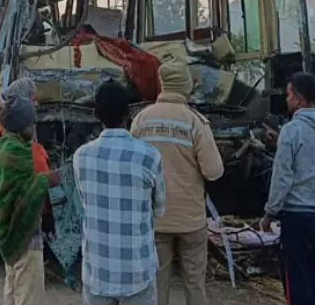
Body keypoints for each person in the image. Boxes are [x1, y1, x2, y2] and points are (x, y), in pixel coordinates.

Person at [130, 57, 224, 305]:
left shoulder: (141, 120)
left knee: (158, 285)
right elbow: (214, 171)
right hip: (190, 220)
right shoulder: (195, 122)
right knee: (194, 284)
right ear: (187, 86)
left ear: (162, 85)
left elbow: (132, 167)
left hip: (155, 220)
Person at [74, 79, 167, 305]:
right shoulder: (149, 155)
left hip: (97, 273)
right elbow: (160, 208)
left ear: (97, 114)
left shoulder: (81, 156)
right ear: (128, 113)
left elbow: (84, 201)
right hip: (137, 273)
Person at [255, 72, 315, 305]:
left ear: (299, 99)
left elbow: (282, 178)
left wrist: (269, 213)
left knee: (297, 276)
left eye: (289, 94)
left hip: (297, 215)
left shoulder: (292, 131)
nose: (287, 99)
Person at [0, 92, 60, 305]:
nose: (34, 129)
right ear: (21, 125)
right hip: (25, 237)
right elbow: (24, 196)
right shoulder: (16, 152)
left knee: (12, 292)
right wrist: (46, 181)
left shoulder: (3, 143)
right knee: (28, 296)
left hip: (9, 234)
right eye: (31, 124)